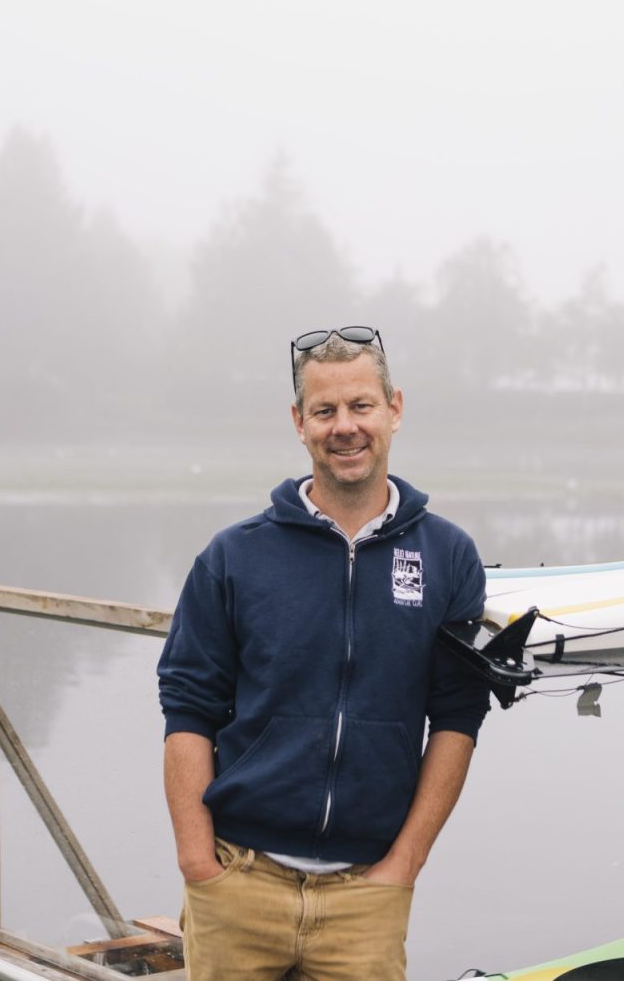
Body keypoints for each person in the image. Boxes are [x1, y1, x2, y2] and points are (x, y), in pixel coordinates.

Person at [156, 325, 491, 981]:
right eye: (325, 410)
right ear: (299, 422)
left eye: (361, 406)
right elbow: (186, 711)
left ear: (394, 408)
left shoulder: (448, 558)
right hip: (239, 883)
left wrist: (404, 866)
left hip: (366, 895)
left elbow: (457, 718)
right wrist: (199, 862)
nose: (345, 427)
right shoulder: (234, 557)